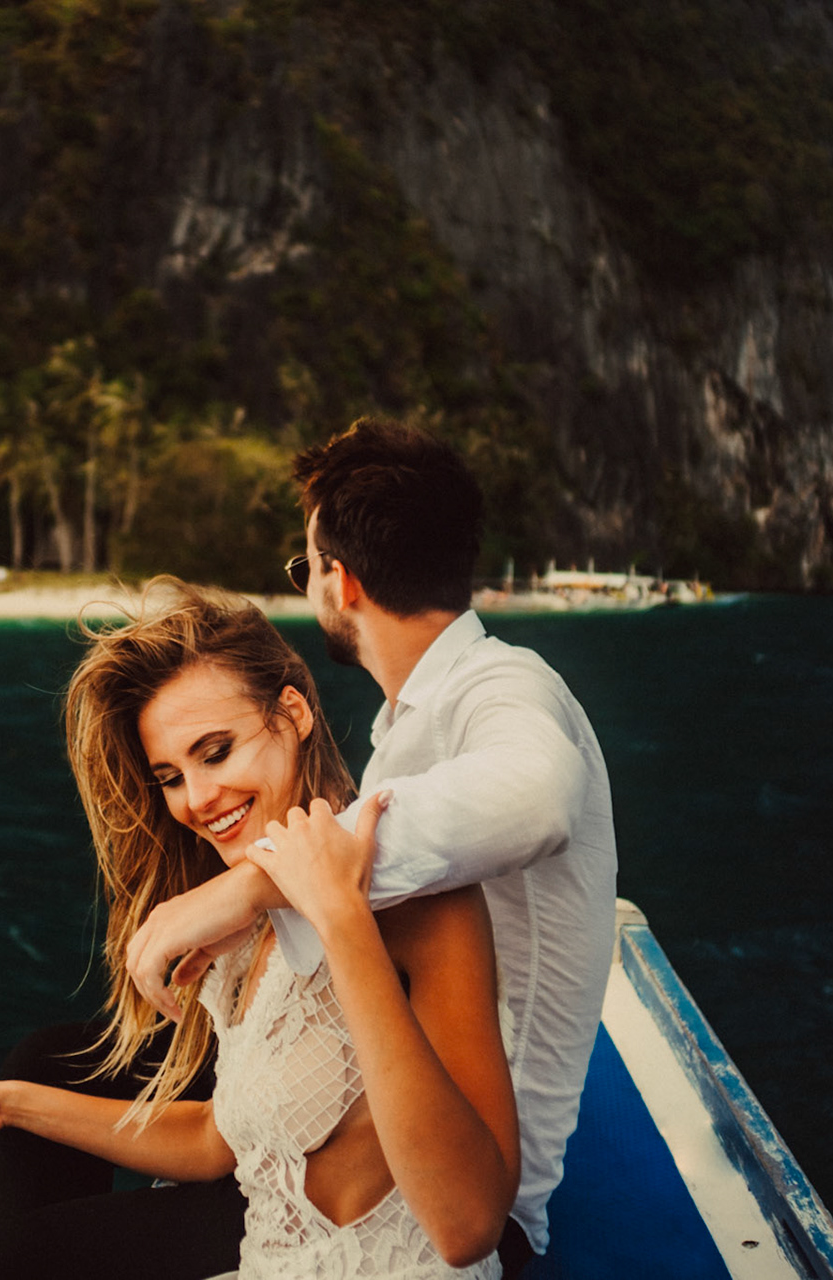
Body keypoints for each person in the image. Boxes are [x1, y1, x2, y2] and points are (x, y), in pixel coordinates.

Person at [0, 580, 519, 1278]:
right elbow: (221, 1138)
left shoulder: (421, 901)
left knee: (26, 1260)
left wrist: (339, 916)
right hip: (271, 1257)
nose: (198, 800)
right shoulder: (238, 921)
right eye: (171, 776)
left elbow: (468, 1228)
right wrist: (5, 1105)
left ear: (294, 713)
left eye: (216, 752)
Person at [121, 419, 616, 1276]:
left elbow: (534, 797)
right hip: (380, 1127)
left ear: (337, 583)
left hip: (469, 1201)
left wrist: (248, 889)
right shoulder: (405, 736)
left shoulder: (505, 686)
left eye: (303, 567)